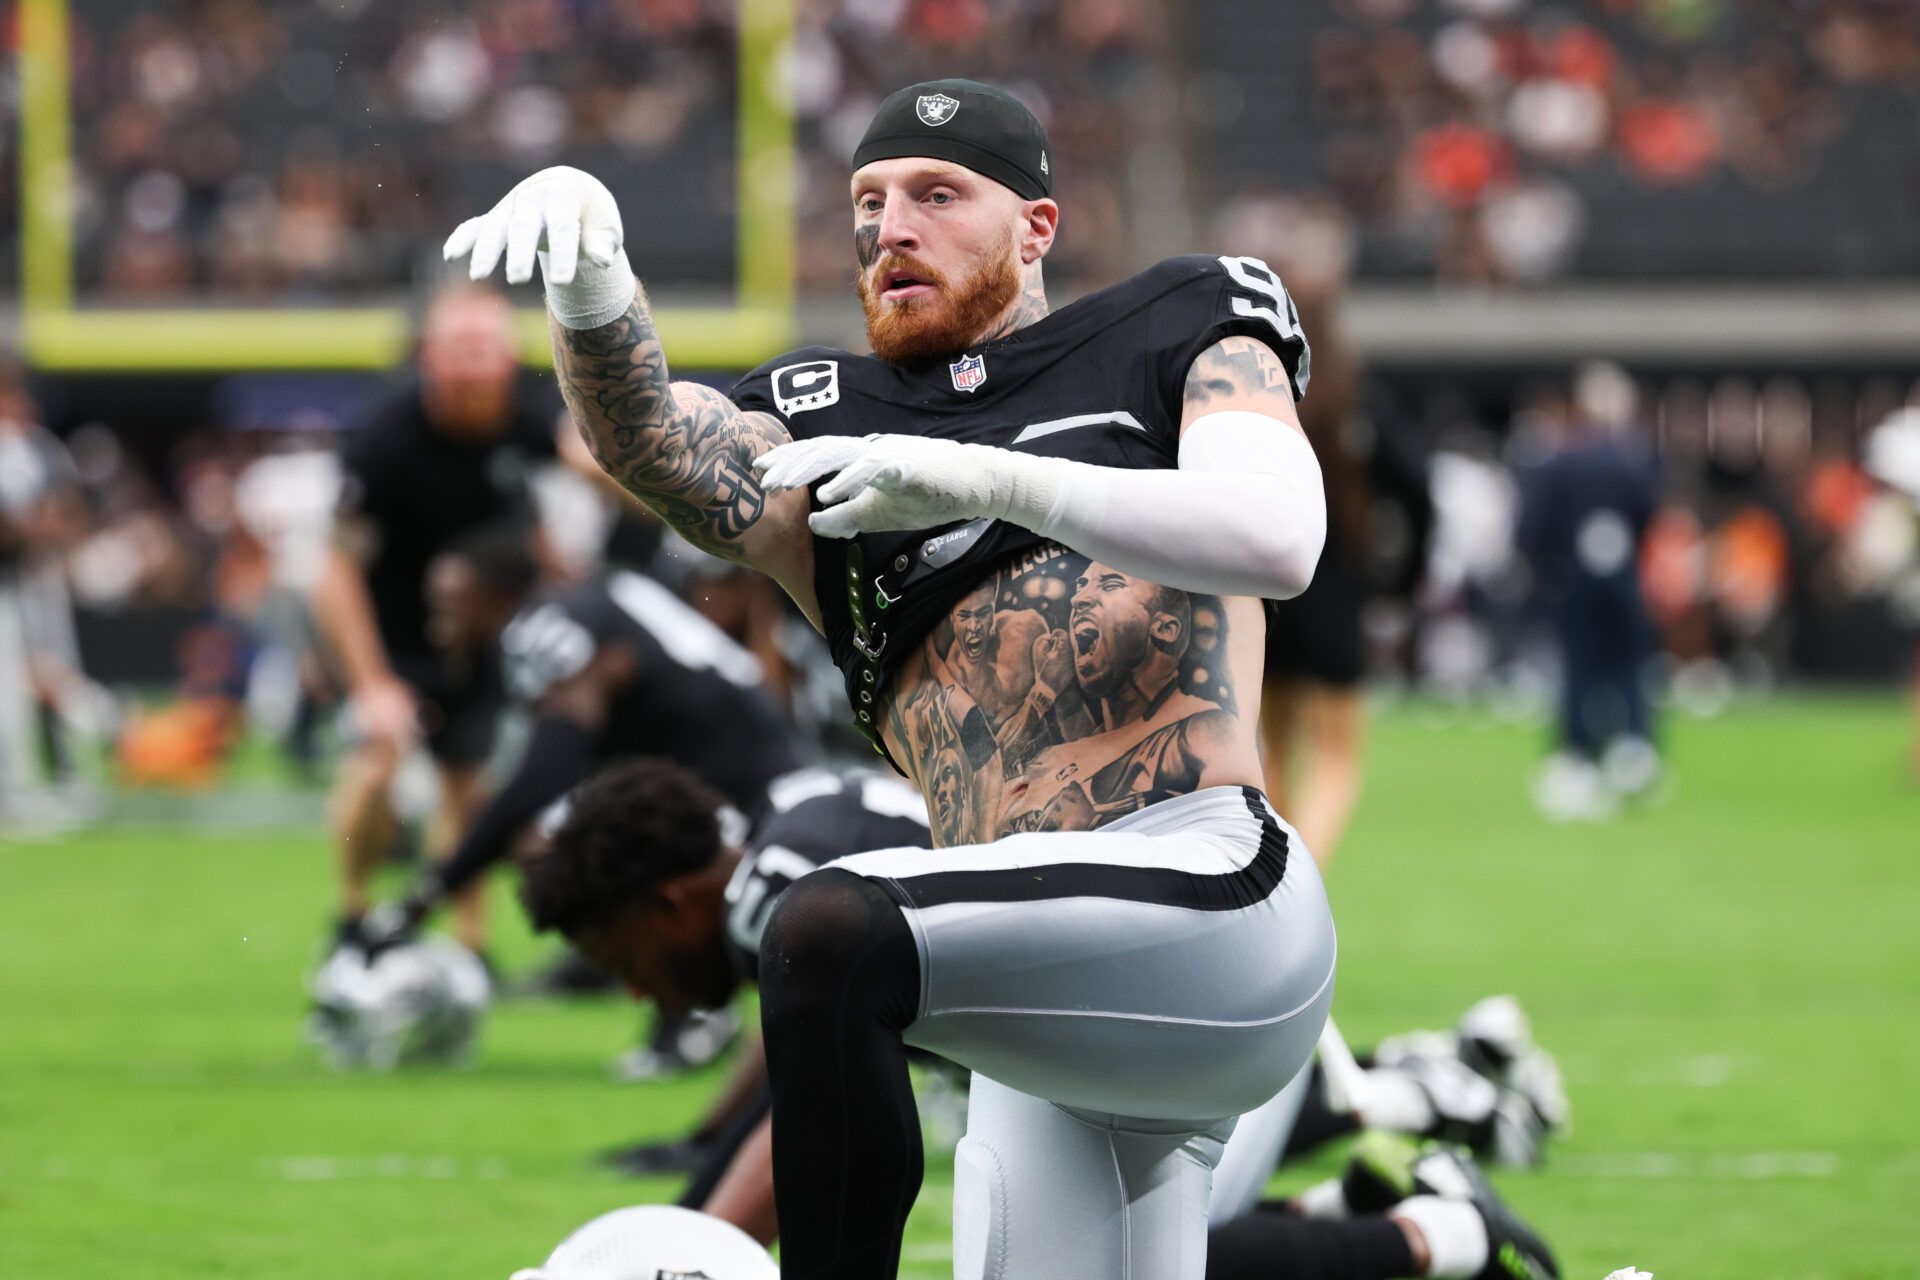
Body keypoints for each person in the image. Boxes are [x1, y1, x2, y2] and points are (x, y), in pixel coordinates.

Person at [446, 77, 1501, 1277]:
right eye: (869, 200)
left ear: (1035, 227)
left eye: (938, 194)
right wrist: (592, 281)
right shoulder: (827, 415)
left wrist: (986, 479)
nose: (891, 225)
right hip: (1035, 988)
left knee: (828, 927)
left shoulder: (1174, 322)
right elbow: (660, 448)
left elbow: (1276, 537)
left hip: (1209, 894)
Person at [521, 758, 1558, 1280]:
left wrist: (675, 1246)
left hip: (1173, 1021)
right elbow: (793, 1104)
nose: (638, 994)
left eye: (623, 961)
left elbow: (802, 1134)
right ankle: (1387, 1163)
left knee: (1117, 1254)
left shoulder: (779, 898)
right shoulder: (787, 830)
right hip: (1167, 997)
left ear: (669, 903)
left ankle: (1443, 1229)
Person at [312, 284, 556, 951]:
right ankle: (353, 916)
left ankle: (468, 944)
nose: (475, 364)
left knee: (469, 786)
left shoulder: (529, 420)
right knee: (377, 758)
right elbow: (335, 572)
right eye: (460, 348)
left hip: (479, 639)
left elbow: (572, 506)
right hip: (389, 631)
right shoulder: (387, 437)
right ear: (428, 357)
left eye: (487, 348)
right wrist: (370, 684)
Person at [1516, 362, 1663, 820]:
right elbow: (1648, 516)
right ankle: (1634, 748)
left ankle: (1578, 756)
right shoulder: (1635, 460)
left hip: (1573, 580)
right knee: (1629, 664)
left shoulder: (1561, 460)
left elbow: (1532, 528)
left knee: (1579, 665)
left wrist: (1544, 566)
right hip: (1622, 579)